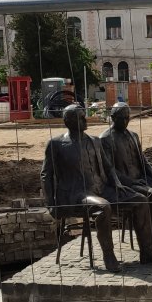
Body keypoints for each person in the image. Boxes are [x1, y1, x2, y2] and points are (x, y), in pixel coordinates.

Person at [40, 104, 124, 272]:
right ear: (68, 122)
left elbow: (108, 167)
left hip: (100, 188)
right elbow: (46, 175)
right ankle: (109, 255)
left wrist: (117, 182)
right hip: (76, 195)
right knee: (103, 207)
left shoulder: (95, 141)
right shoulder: (56, 144)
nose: (86, 120)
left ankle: (148, 251)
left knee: (142, 198)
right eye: (81, 117)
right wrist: (50, 204)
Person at [100, 102, 152, 263]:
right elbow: (109, 170)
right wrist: (131, 182)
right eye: (122, 118)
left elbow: (142, 158)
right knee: (151, 194)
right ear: (113, 117)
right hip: (126, 184)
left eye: (127, 118)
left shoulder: (133, 135)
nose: (125, 121)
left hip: (143, 178)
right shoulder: (105, 139)